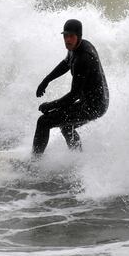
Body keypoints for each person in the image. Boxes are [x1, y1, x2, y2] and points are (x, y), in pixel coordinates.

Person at [33, 19, 109, 157]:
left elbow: (74, 95)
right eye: (65, 36)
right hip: (95, 101)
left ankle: (34, 164)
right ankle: (78, 160)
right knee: (67, 125)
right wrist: (46, 80)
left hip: (94, 106)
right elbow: (66, 63)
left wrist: (50, 105)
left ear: (78, 36)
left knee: (44, 121)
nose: (67, 40)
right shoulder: (76, 47)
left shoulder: (84, 58)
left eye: (71, 36)